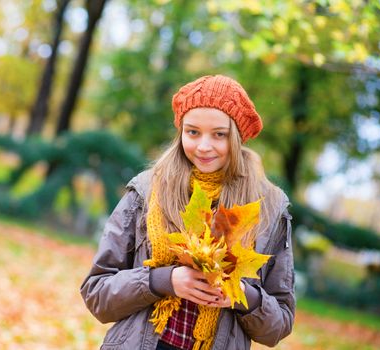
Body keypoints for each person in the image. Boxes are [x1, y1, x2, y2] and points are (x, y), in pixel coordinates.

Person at [81, 75, 295, 350]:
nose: (204, 146)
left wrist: (241, 295)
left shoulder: (268, 209)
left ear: (238, 137)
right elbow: (97, 293)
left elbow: (279, 326)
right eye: (193, 132)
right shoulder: (147, 191)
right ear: (181, 131)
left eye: (220, 134)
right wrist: (163, 280)